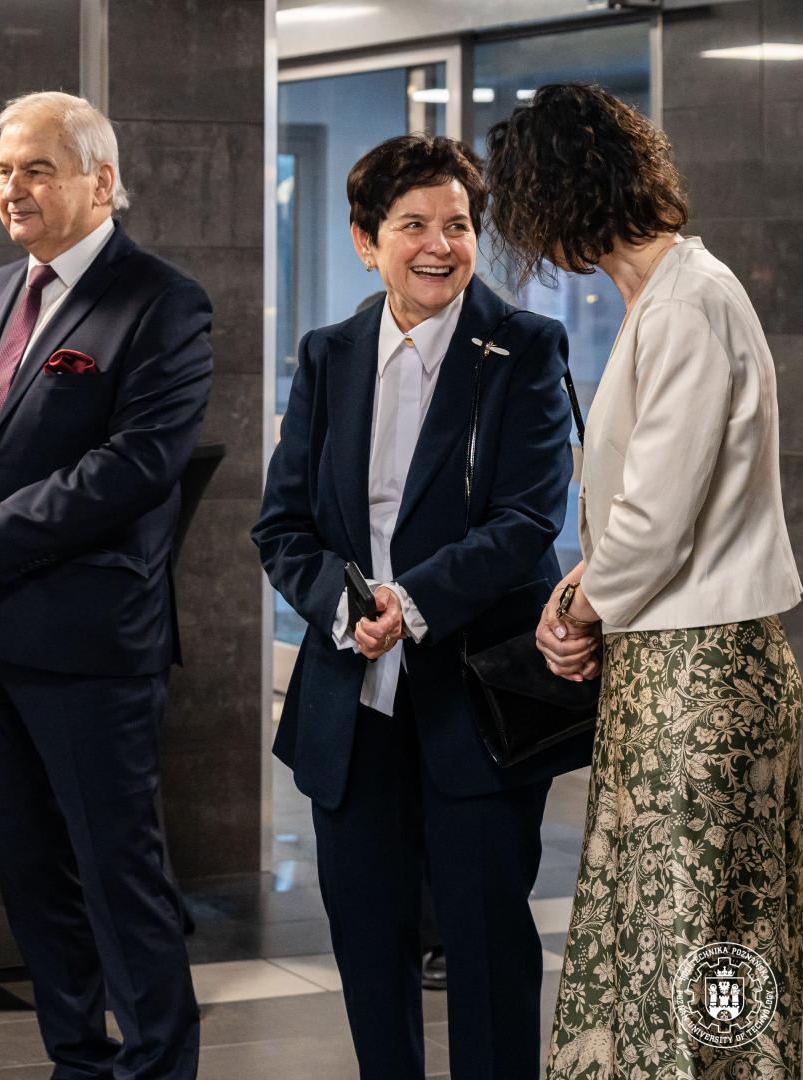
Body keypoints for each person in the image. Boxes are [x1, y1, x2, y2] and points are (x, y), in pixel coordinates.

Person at [252, 133, 588, 1080]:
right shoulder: (329, 355)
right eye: (414, 226)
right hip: (350, 704)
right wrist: (344, 605)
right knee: (369, 949)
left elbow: (529, 519)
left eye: (458, 225)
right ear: (367, 241)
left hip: (477, 701)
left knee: (486, 953)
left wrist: (413, 598)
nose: (440, 245)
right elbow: (282, 526)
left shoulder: (524, 348)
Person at [488, 83, 803, 1077]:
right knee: (683, 924)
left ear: (562, 197)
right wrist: (579, 597)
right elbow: (650, 504)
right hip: (677, 663)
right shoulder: (669, 297)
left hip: (699, 675)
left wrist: (574, 609)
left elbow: (657, 522)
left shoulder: (686, 305)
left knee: (691, 933)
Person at [0, 90, 212, 1080]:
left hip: (90, 645)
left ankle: (156, 1066)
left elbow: (137, 463)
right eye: (2, 170)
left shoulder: (163, 302)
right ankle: (76, 1062)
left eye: (37, 169)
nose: (13, 188)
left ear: (101, 181)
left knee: (121, 880)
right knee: (32, 883)